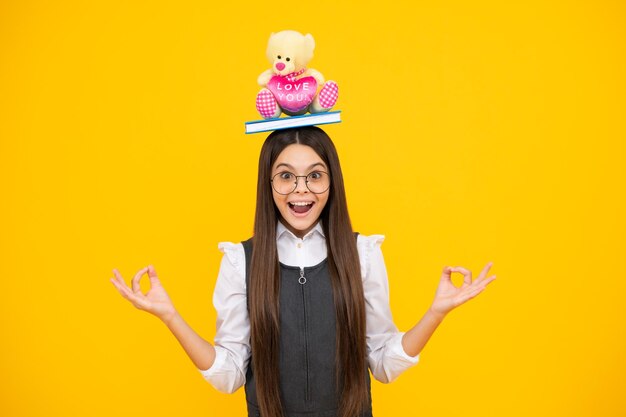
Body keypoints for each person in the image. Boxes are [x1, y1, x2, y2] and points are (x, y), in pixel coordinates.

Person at [110, 126, 496, 417]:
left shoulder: (361, 253)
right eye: (285, 176)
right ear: (268, 182)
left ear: (331, 181)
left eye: (315, 175)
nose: (301, 190)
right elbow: (228, 375)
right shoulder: (239, 260)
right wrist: (169, 316)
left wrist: (437, 313)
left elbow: (382, 363)